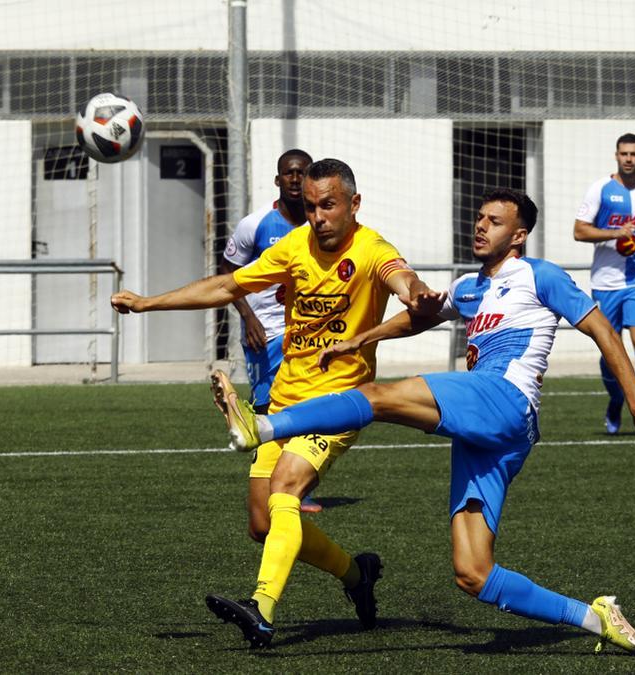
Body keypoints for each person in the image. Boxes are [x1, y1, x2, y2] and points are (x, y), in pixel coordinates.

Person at [212, 188, 635, 654]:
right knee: (473, 574)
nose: (480, 225)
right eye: (479, 216)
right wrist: (360, 340)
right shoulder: (471, 286)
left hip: (505, 398)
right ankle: (597, 618)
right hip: (492, 435)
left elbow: (603, 331)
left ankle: (265, 427)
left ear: (518, 235)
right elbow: (419, 317)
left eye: (493, 220)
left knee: (377, 396)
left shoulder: (539, 275)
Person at [111, 158, 443, 647]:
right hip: (284, 400)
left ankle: (260, 609)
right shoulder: (294, 246)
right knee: (263, 522)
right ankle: (357, 576)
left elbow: (402, 277)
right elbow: (228, 285)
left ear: (354, 203)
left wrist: (417, 294)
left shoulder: (372, 250)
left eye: (328, 205)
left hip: (337, 404)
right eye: (310, 207)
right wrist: (146, 303)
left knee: (287, 486)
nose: (318, 217)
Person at [219, 148, 321, 513]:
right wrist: (247, 316)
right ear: (278, 180)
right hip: (265, 334)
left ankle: (296, 488)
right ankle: (268, 485)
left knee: (310, 407)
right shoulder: (256, 224)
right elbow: (226, 273)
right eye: (289, 174)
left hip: (308, 332)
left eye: (302, 173)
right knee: (266, 407)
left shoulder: (321, 223)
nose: (295, 179)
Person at [573, 133, 635, 435]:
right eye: (624, 153)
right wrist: (614, 234)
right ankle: (616, 400)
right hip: (605, 284)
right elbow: (579, 231)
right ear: (616, 156)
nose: (629, 158)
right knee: (610, 351)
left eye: (634, 154)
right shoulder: (600, 189)